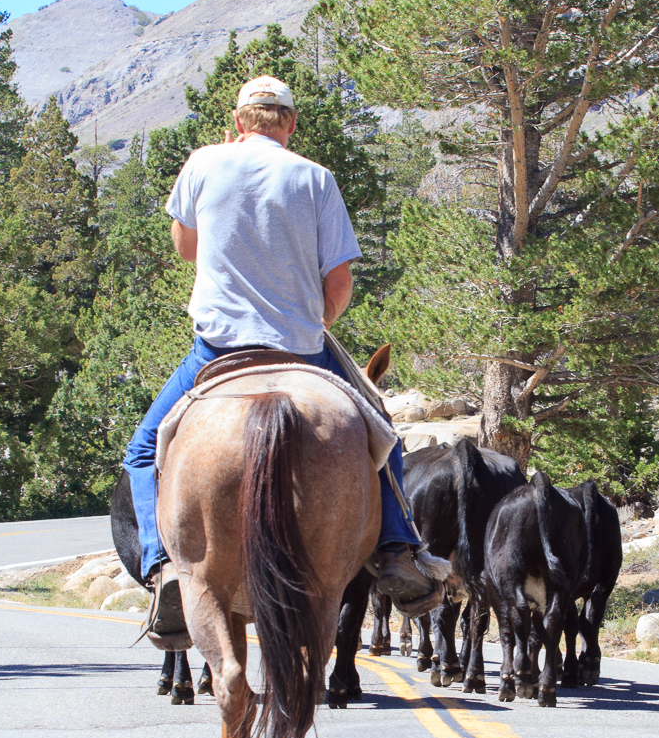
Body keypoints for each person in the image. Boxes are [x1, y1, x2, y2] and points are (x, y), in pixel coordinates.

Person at [123, 75, 441, 637]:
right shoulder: (316, 178)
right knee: (382, 434)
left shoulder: (203, 162)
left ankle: (164, 569)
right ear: (291, 125)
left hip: (216, 349)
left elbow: (186, 247)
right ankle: (396, 549)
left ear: (240, 122)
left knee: (143, 449)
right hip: (301, 349)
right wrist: (314, 321)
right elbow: (338, 282)